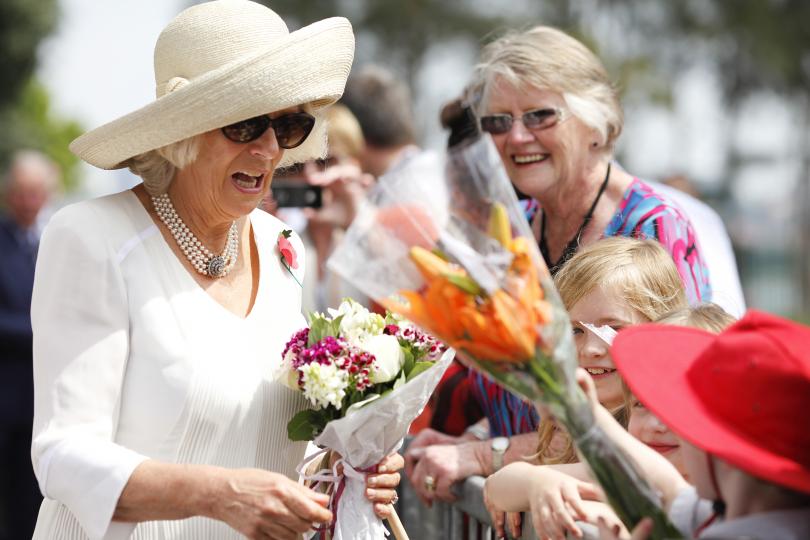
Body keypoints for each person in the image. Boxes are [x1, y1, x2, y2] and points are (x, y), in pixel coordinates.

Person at [30, 3, 402, 539]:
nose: (271, 148)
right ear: (183, 132)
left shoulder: (282, 246)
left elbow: (263, 437)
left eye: (289, 124)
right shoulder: (92, 237)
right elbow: (63, 455)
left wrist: (346, 467)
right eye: (247, 124)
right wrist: (218, 494)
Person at [404, 25, 715, 503]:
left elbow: (672, 419)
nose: (517, 136)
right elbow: (519, 397)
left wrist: (489, 457)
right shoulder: (509, 230)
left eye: (540, 115)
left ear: (596, 121)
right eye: (498, 121)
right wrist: (470, 440)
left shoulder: (654, 227)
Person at [477, 237, 689, 538]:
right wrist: (538, 484)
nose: (590, 349)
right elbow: (496, 485)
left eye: (613, 329)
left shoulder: (656, 437)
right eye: (575, 330)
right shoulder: (571, 430)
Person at [485, 303, 737, 540]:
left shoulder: (739, 507)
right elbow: (495, 486)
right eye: (640, 405)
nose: (656, 426)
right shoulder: (625, 476)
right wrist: (538, 484)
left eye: (678, 409)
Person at [597, 309, 810, 539]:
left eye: (688, 420)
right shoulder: (758, 511)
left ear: (717, 448)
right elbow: (668, 487)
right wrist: (586, 414)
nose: (660, 424)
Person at [0, 150, 58, 540]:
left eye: (36, 193)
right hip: (5, 393)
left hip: (42, 400)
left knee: (33, 500)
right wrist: (42, 331)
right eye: (21, 192)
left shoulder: (53, 240)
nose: (28, 201)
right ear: (8, 194)